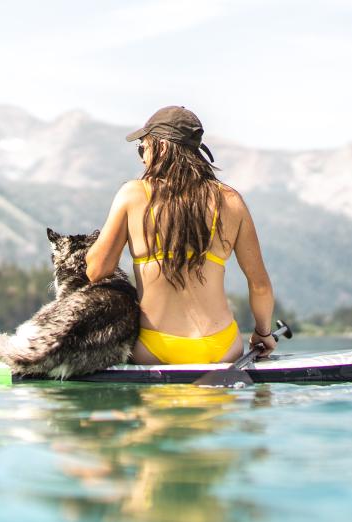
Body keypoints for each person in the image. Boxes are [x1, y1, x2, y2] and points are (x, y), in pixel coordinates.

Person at [85, 106, 276, 364]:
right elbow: (260, 285)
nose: (142, 157)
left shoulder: (134, 194)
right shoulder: (231, 202)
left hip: (154, 347)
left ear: (161, 147)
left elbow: (96, 271)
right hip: (221, 348)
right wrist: (263, 333)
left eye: (143, 147)